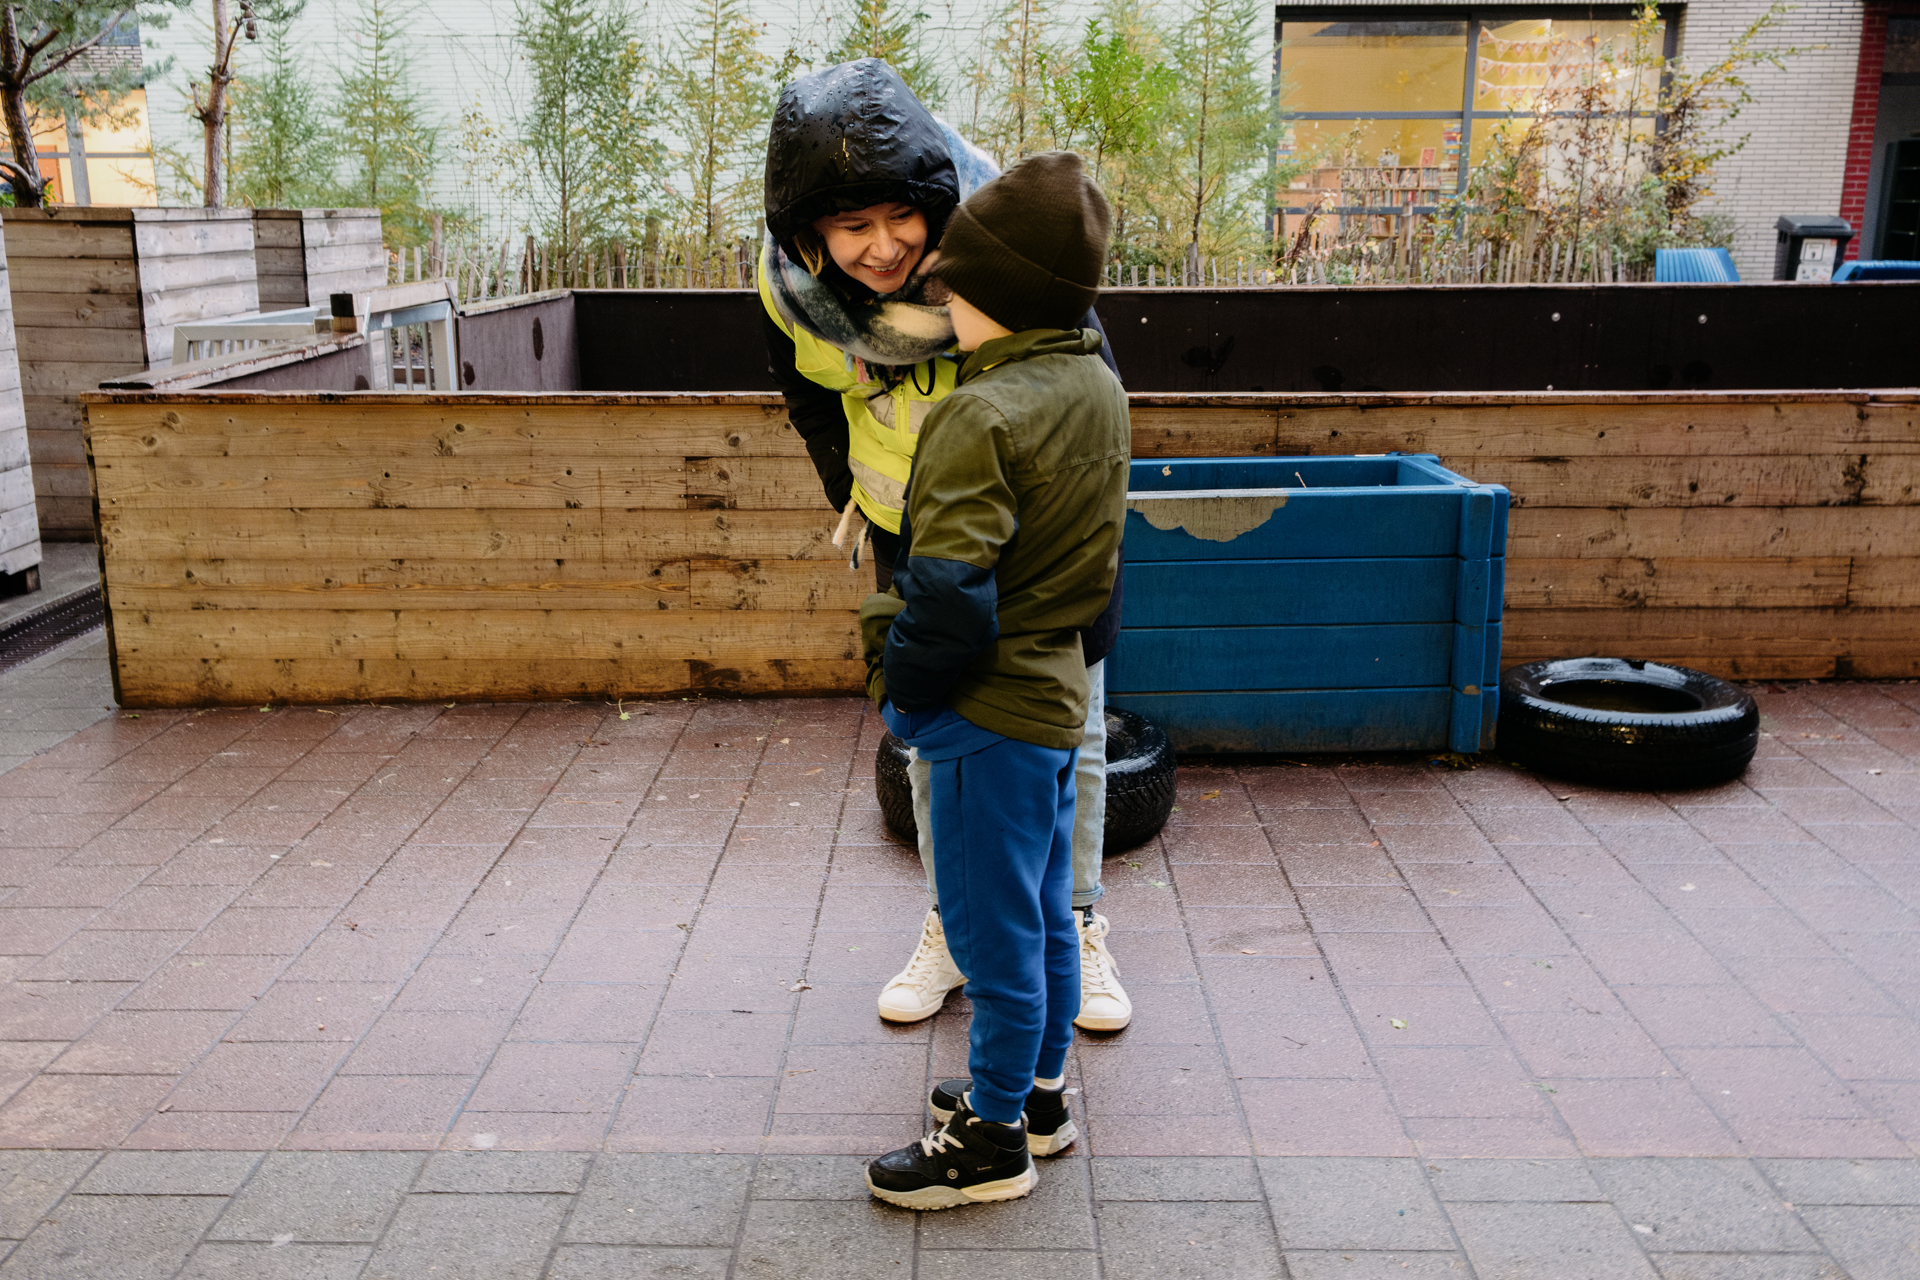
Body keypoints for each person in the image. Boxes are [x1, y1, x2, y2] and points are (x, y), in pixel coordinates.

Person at [758, 58, 1132, 1032]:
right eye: (850, 227)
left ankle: (1078, 925)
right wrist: (849, 494)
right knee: (931, 741)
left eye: (898, 217)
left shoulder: (1005, 241)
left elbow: (1087, 380)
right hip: (919, 536)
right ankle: (953, 927)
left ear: (932, 201)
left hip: (1044, 543)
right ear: (810, 235)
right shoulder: (793, 293)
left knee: (1073, 733)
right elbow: (809, 398)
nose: (882, 248)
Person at [859, 150, 1128, 1208]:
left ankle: (989, 1136)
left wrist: (909, 698)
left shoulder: (980, 412)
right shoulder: (1094, 386)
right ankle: (1042, 1094)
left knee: (989, 931)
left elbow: (952, 592)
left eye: (954, 288)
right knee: (1050, 912)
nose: (941, 305)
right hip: (1058, 693)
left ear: (1000, 297)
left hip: (985, 709)